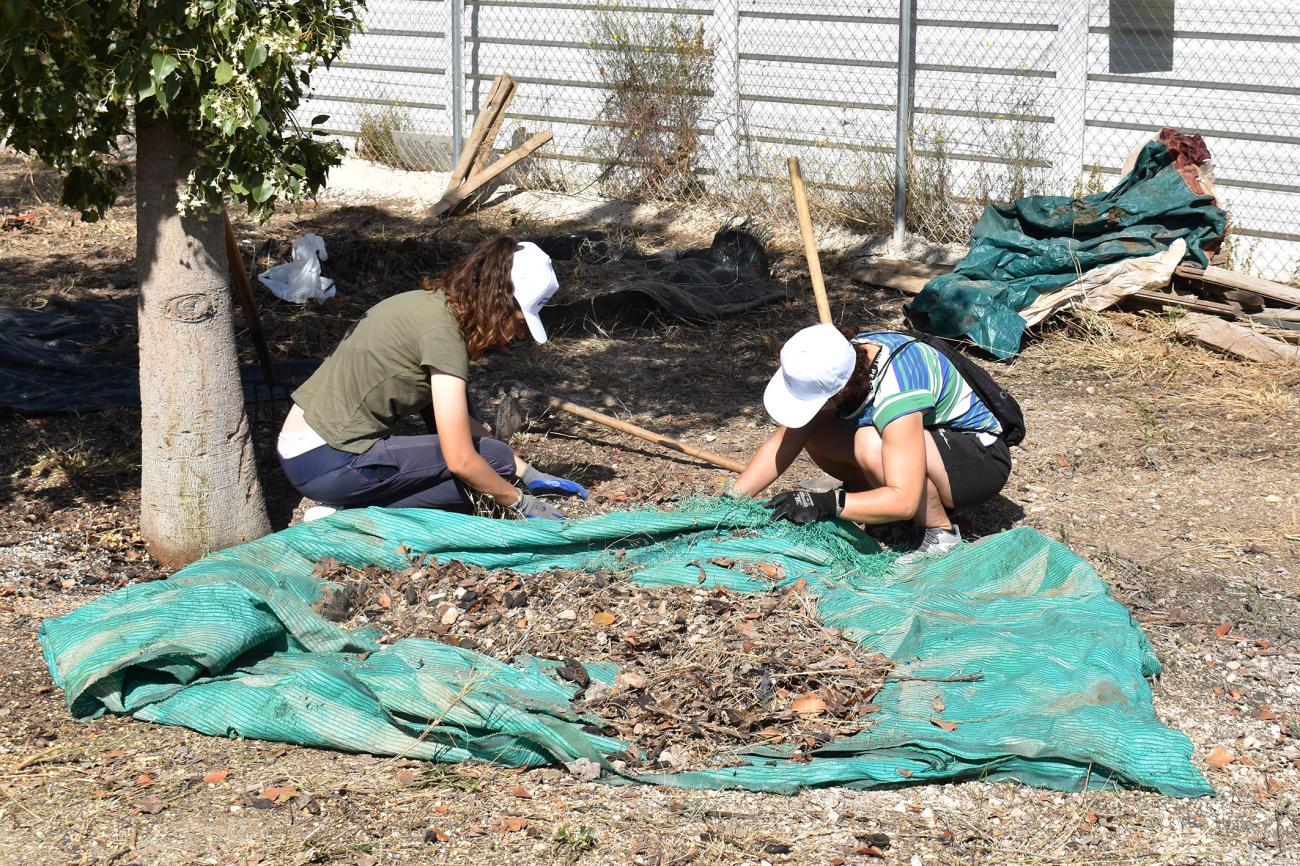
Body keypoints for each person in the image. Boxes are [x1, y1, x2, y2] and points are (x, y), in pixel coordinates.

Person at [277, 236, 587, 521]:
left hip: (307, 452)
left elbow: (457, 422)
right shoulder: (444, 337)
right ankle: (352, 515)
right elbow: (461, 459)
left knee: (492, 469)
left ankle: (352, 507)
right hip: (329, 460)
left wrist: (526, 471)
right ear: (500, 301)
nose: (519, 333)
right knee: (488, 465)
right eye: (521, 320)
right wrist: (521, 502)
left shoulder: (432, 306)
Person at [733, 323, 1013, 561]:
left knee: (869, 441)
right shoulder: (842, 359)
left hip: (978, 459)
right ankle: (879, 508)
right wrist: (731, 499)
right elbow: (782, 445)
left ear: (841, 390)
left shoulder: (897, 388)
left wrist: (828, 503)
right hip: (925, 447)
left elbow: (903, 499)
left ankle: (941, 533)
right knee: (814, 428)